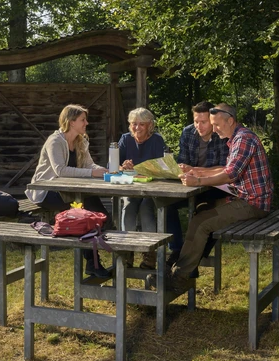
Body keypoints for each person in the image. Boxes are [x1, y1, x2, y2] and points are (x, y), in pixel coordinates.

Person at [149, 103, 274, 295]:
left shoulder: (244, 139)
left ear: (230, 120)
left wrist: (198, 179)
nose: (215, 129)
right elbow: (225, 169)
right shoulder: (237, 137)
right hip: (243, 197)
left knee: (201, 222)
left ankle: (179, 278)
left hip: (253, 203)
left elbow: (230, 174)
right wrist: (197, 170)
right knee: (201, 208)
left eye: (216, 125)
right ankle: (183, 267)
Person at [25, 104, 114, 278]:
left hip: (71, 192)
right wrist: (91, 173)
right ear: (71, 122)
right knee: (87, 212)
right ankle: (97, 255)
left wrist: (104, 170)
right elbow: (60, 170)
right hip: (47, 191)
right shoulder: (55, 141)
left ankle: (95, 257)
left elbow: (90, 165)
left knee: (88, 209)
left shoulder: (81, 140)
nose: (86, 123)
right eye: (83, 120)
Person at [163, 101, 229, 268]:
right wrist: (183, 167)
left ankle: (190, 260)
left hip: (215, 187)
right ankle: (177, 250)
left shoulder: (221, 134)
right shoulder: (188, 132)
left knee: (205, 212)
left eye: (203, 122)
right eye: (196, 121)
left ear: (213, 120)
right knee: (165, 204)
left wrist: (196, 170)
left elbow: (225, 168)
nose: (199, 126)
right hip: (191, 185)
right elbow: (183, 160)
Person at [117, 107, 171, 269]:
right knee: (128, 207)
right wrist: (122, 166)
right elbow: (113, 166)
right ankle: (128, 250)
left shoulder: (156, 140)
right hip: (131, 187)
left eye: (142, 124)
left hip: (152, 188)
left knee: (146, 209)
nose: (137, 128)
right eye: (134, 124)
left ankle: (150, 254)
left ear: (149, 126)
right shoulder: (125, 139)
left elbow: (164, 168)